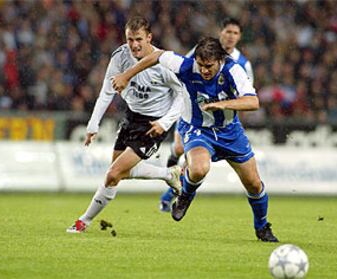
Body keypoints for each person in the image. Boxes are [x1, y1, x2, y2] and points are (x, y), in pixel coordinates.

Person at [112, 37, 279, 242]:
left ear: (220, 60)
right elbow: (156, 55)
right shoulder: (186, 66)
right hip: (196, 128)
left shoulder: (234, 71)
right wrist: (127, 75)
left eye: (209, 66)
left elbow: (253, 102)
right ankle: (184, 197)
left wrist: (224, 104)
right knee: (199, 168)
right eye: (200, 65)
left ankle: (262, 226)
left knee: (253, 184)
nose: (204, 70)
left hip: (230, 132)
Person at [67, 16, 184, 233]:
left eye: (138, 39)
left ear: (149, 38)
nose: (134, 45)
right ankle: (169, 174)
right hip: (131, 118)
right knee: (117, 174)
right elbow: (106, 90)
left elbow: (182, 95)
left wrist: (165, 123)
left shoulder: (164, 65)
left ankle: (84, 221)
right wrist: (93, 125)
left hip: (153, 125)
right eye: (130, 39)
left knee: (112, 173)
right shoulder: (121, 56)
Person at [159, 18, 254, 212]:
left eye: (235, 33)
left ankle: (171, 195)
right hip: (192, 112)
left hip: (220, 120)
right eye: (228, 31)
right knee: (179, 149)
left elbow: (247, 95)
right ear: (221, 32)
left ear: (240, 37)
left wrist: (227, 108)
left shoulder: (242, 64)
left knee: (194, 164)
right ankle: (173, 178)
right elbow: (183, 73)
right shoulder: (200, 52)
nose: (230, 36)